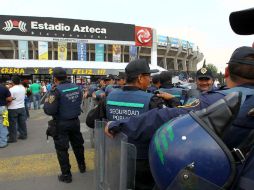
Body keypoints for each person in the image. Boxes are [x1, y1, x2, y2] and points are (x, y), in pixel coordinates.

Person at [105, 46, 254, 189]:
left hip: (212, 175)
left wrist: (119, 125)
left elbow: (166, 117)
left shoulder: (217, 100)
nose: (204, 83)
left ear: (226, 72)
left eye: (206, 79)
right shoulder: (208, 97)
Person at [87, 58, 170, 190]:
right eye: (148, 76)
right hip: (142, 162)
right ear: (140, 78)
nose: (150, 80)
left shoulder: (109, 97)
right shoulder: (152, 100)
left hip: (116, 157)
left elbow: (90, 121)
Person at [43, 67, 86, 183]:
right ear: (66, 76)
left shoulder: (55, 91)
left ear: (55, 78)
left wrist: (49, 96)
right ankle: (82, 166)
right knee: (78, 145)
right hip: (75, 122)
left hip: (61, 123)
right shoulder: (77, 87)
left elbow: (49, 110)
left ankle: (66, 175)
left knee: (62, 149)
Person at [7, 76, 28, 142]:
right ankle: (23, 135)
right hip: (22, 107)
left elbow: (10, 99)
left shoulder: (11, 89)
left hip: (12, 108)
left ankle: (13, 138)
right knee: (22, 122)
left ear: (12, 81)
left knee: (12, 124)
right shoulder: (23, 88)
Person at [0, 82, 12, 148]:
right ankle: (3, 142)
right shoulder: (4, 88)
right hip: (2, 108)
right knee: (3, 124)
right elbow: (9, 98)